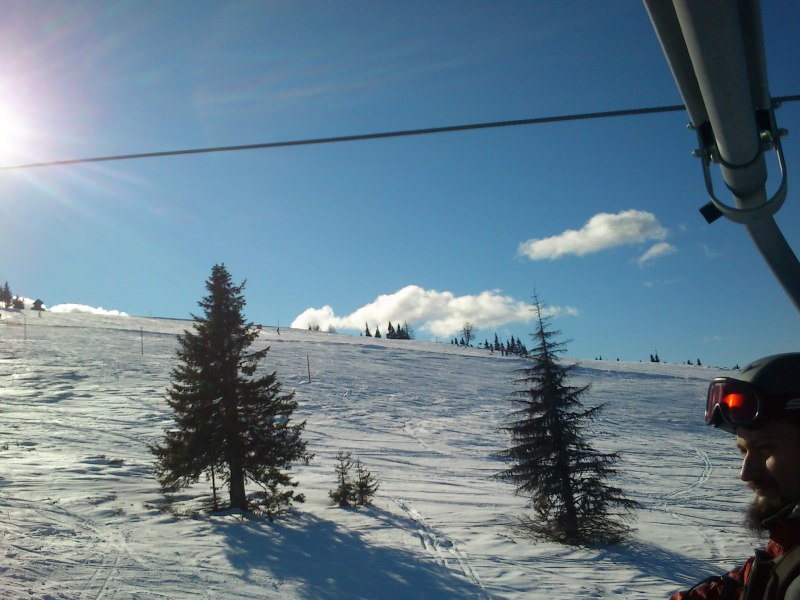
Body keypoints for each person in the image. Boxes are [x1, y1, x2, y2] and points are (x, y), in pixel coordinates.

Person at [671, 353, 800, 599]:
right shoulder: (789, 538)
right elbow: (745, 585)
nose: (745, 473)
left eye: (765, 448)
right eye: (743, 451)